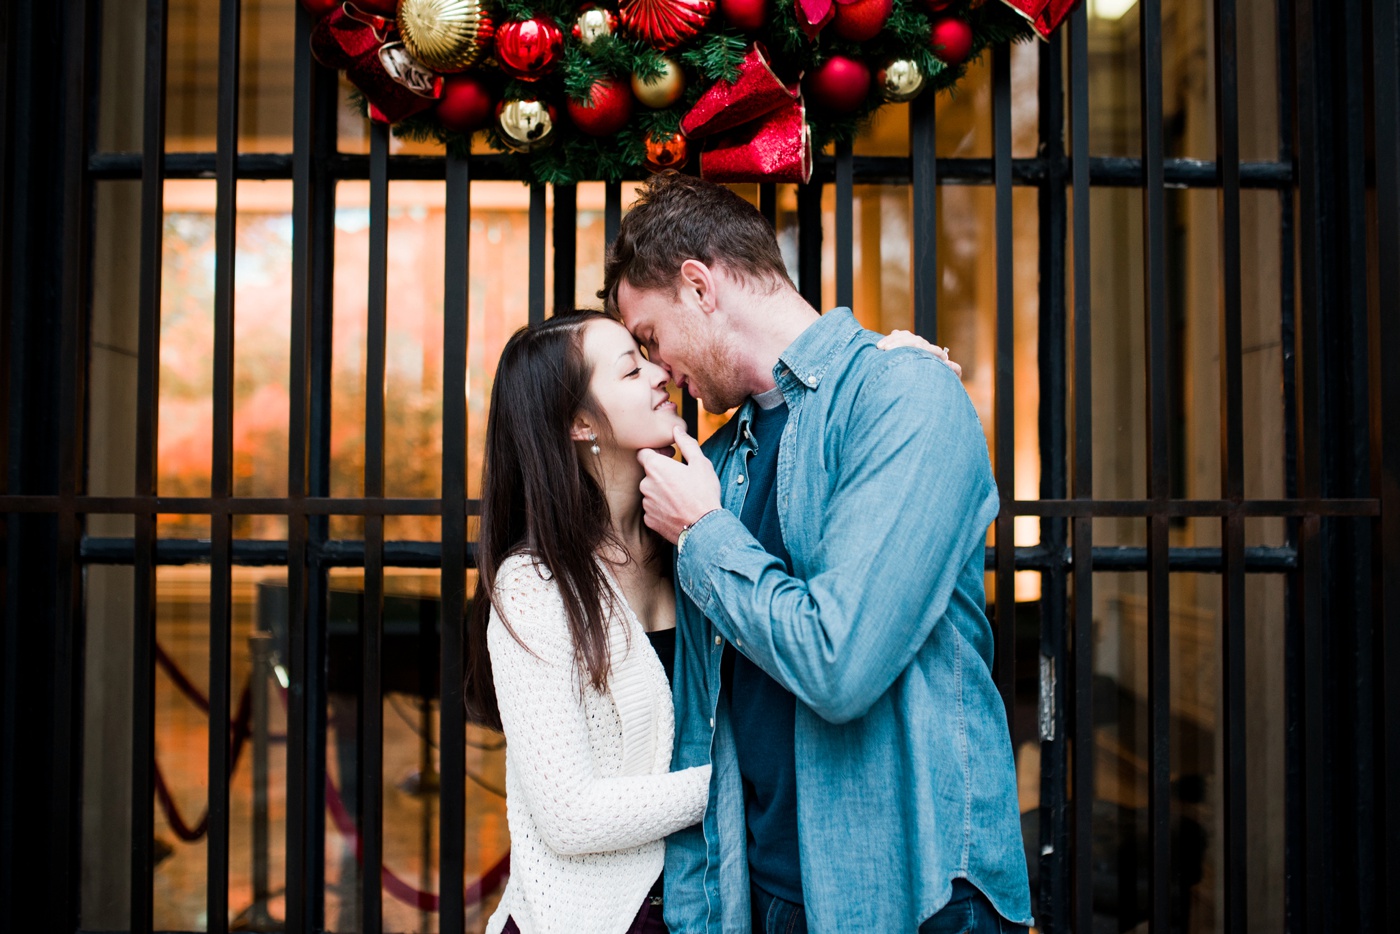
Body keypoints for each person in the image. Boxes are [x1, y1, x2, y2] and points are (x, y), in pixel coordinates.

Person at [601, 173, 1034, 934]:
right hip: (767, 894)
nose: (661, 372)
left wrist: (706, 536)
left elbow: (840, 663)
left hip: (913, 895)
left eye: (650, 340)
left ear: (700, 287)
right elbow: (709, 717)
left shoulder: (905, 397)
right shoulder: (718, 458)